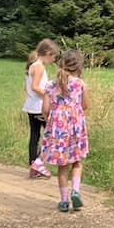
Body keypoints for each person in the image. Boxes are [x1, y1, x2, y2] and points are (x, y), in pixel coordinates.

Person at [40, 49, 89, 212]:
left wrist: (51, 121)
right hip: (75, 127)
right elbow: (85, 106)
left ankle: (64, 201)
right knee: (77, 161)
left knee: (62, 165)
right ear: (78, 66)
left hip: (59, 129)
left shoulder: (50, 85)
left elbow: (45, 109)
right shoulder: (80, 84)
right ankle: (75, 191)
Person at [23, 39, 59, 179]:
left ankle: (34, 165)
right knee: (52, 135)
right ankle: (38, 163)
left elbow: (26, 88)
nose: (54, 59)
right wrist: (51, 95)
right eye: (54, 56)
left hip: (31, 106)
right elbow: (35, 87)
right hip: (39, 107)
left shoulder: (32, 65)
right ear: (48, 53)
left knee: (35, 136)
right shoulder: (39, 67)